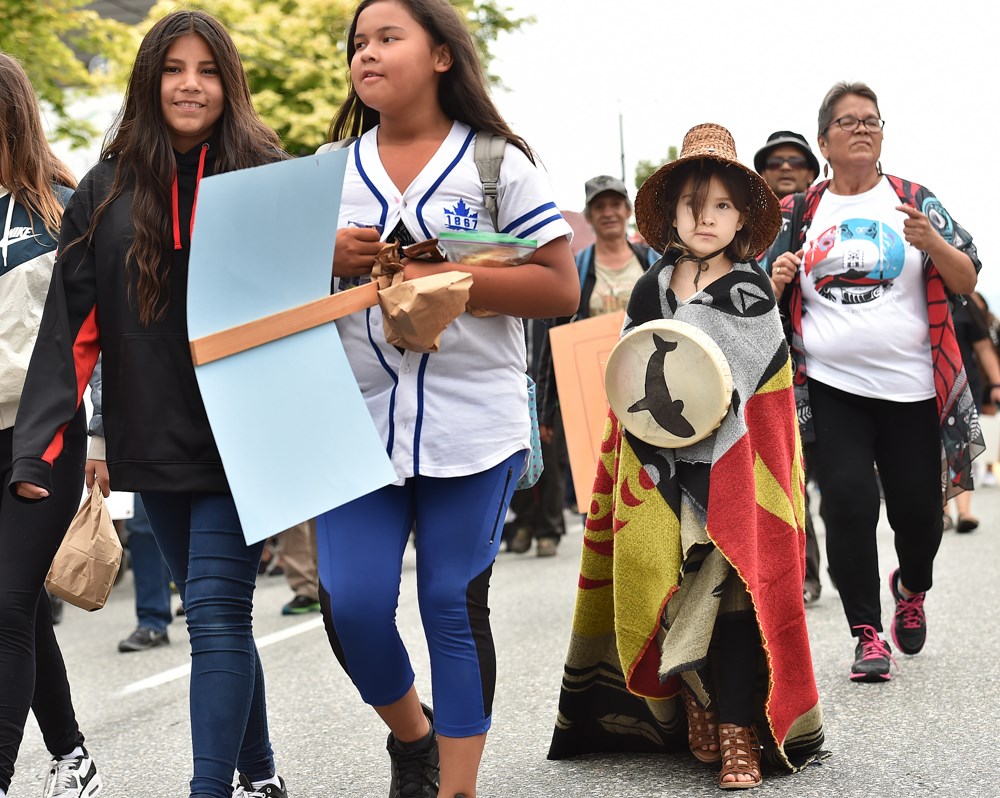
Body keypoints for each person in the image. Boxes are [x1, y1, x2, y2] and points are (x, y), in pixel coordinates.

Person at [11, 12, 291, 798]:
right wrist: (42, 451)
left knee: (210, 611)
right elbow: (71, 332)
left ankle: (212, 788)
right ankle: (261, 771)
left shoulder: (267, 174)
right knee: (219, 614)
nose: (191, 83)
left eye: (207, 69)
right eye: (174, 68)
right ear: (150, 80)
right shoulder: (102, 190)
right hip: (153, 435)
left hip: (247, 438)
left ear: (227, 83)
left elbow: (307, 309)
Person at [315, 1, 578, 796]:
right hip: (355, 427)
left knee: (448, 603)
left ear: (439, 56)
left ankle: (457, 789)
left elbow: (560, 287)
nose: (367, 54)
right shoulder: (327, 171)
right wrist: (314, 253)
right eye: (358, 43)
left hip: (475, 425)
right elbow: (258, 289)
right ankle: (413, 736)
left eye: (387, 37)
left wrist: (452, 280)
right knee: (352, 606)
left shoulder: (497, 163)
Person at [548, 123, 823, 791]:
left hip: (735, 474)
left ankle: (737, 734)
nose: (706, 217)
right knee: (663, 588)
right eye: (693, 203)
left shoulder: (755, 295)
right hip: (657, 468)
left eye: (723, 204)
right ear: (670, 213)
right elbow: (629, 382)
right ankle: (695, 704)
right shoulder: (648, 290)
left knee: (731, 600)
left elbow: (769, 407)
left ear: (743, 217)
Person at [762, 81, 982, 683]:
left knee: (918, 516)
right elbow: (753, 301)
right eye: (849, 121)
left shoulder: (913, 200)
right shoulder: (796, 213)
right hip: (830, 388)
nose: (863, 128)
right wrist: (776, 282)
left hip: (912, 388)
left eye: (872, 120)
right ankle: (866, 632)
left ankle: (909, 588)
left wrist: (932, 242)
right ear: (824, 140)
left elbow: (964, 281)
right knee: (849, 505)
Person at [0, 50, 103, 798]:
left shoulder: (64, 205)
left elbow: (90, 334)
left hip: (44, 433)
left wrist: (97, 439)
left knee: (5, 604)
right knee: (21, 601)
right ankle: (70, 754)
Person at [533, 175, 658, 550]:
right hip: (595, 395)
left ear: (627, 210)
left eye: (615, 205)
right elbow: (555, 342)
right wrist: (545, 411)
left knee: (652, 481)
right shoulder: (577, 267)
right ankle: (610, 573)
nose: (608, 213)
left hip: (650, 385)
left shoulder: (650, 262)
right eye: (599, 207)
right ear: (590, 215)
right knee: (601, 487)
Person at [754, 131, 822, 606]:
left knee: (829, 483)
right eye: (774, 161)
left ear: (812, 173)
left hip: (827, 373)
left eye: (796, 161)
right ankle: (800, 572)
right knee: (785, 478)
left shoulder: (832, 219)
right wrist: (772, 285)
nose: (785, 167)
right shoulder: (744, 228)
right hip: (767, 373)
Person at [945, 295, 1000, 532]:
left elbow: (984, 347)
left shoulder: (965, 303)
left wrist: (997, 384)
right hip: (924, 386)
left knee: (959, 447)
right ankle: (943, 513)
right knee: (932, 450)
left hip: (963, 385)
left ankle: (964, 511)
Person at [754, 131, 819, 199]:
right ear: (763, 174)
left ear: (811, 175)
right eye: (775, 162)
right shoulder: (746, 208)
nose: (785, 167)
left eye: (796, 162)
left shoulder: (827, 208)